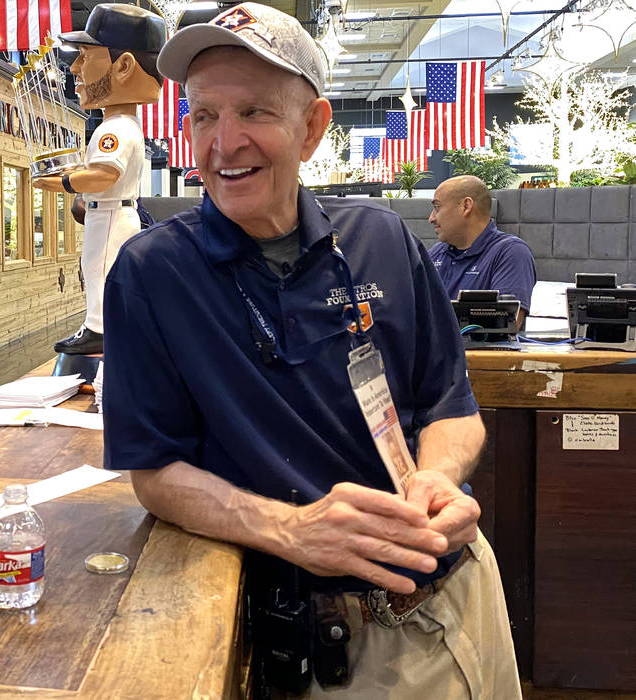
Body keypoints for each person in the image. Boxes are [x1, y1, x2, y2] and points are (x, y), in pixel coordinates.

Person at [101, 4, 521, 697]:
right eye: (203, 115)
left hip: (459, 602)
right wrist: (292, 530)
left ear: (313, 128)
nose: (224, 143)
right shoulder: (152, 275)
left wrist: (438, 477)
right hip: (315, 643)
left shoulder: (383, 240)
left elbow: (453, 406)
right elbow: (155, 471)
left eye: (256, 113)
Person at [34, 4, 167, 355]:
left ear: (123, 66)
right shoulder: (117, 126)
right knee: (94, 268)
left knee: (101, 268)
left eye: (85, 56)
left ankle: (101, 329)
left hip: (111, 213)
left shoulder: (118, 128)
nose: (75, 67)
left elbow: (105, 174)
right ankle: (98, 325)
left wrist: (61, 183)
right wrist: (68, 175)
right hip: (105, 212)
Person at [428, 175, 536, 324]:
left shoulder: (510, 252)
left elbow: (505, 325)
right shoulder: (435, 254)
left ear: (466, 206)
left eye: (437, 207)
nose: (431, 218)